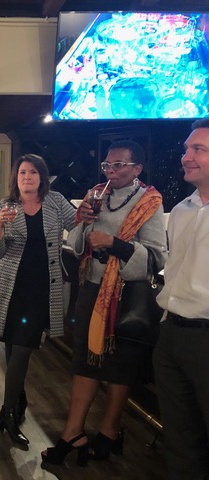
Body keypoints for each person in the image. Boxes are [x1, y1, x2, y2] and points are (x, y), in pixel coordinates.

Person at [41, 139, 167, 467]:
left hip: (126, 294)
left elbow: (157, 257)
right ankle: (73, 432)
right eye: (107, 165)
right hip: (92, 287)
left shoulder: (149, 202)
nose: (110, 171)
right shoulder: (97, 194)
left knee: (119, 365)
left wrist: (115, 244)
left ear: (137, 169)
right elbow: (77, 244)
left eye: (118, 165)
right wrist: (82, 221)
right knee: (84, 359)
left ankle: (110, 430)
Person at [0, 154, 76, 446]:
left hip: (41, 290)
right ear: (16, 178)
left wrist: (91, 218)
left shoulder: (56, 201)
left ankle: (8, 412)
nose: (27, 177)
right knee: (12, 350)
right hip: (9, 289)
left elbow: (79, 224)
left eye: (33, 172)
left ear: (42, 177)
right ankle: (17, 403)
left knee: (21, 351)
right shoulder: (6, 207)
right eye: (22, 172)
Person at [153, 118, 209, 480]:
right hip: (171, 334)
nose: (186, 157)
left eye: (198, 149)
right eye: (187, 149)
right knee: (179, 439)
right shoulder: (181, 211)